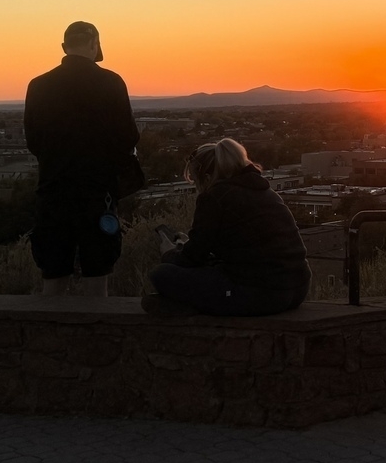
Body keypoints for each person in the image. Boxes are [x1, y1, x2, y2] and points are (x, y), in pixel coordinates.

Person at [24, 21, 140, 297]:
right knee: (97, 274)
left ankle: (50, 333)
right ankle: (96, 335)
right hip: (98, 194)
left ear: (64, 47)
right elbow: (128, 137)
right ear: (94, 44)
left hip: (54, 191)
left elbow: (34, 142)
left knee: (53, 273)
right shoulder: (111, 82)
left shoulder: (39, 86)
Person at [145, 138, 309, 317]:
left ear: (207, 177)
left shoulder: (215, 197)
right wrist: (190, 247)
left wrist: (168, 253)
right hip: (298, 289)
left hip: (259, 294)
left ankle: (191, 308)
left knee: (161, 274)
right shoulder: (267, 193)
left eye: (197, 181)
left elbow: (191, 260)